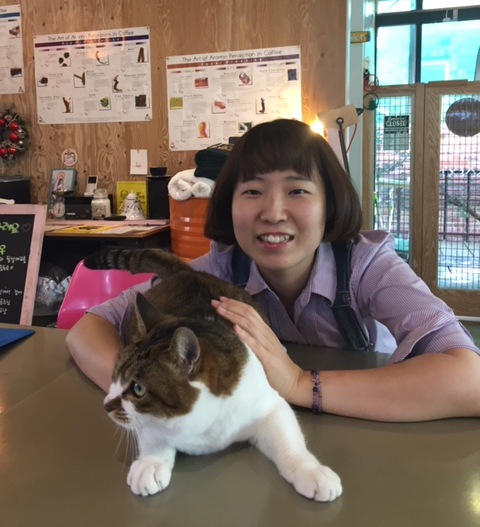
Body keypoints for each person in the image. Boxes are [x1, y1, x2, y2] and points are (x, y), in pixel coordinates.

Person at [66, 119, 480, 421]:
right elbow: (88, 329)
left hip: (367, 428)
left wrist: (299, 383)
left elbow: (470, 377)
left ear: (329, 204)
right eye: (252, 191)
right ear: (228, 205)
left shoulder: (366, 267)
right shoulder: (219, 270)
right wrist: (141, 395)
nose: (273, 212)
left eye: (297, 190)